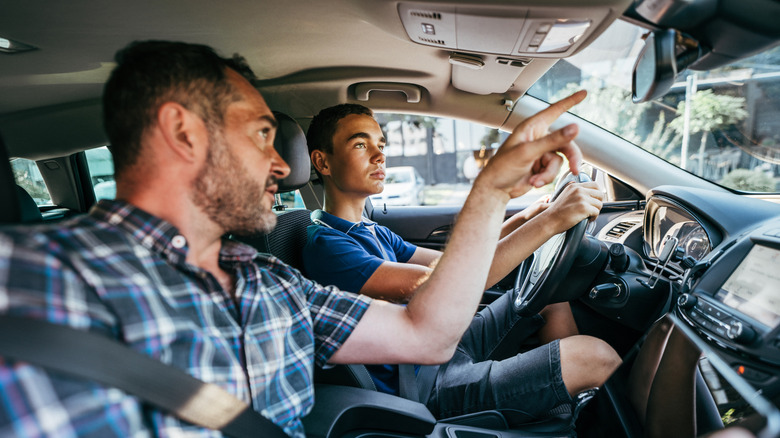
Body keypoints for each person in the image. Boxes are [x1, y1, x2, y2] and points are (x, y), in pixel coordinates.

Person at [0, 40, 606, 437]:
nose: (280, 165)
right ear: (183, 133)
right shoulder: (35, 276)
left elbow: (427, 333)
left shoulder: (271, 280)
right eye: (262, 134)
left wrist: (495, 191)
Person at [303, 102, 622, 422]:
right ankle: (572, 411)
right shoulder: (327, 245)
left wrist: (528, 216)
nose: (379, 154)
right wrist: (551, 222)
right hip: (422, 387)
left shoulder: (374, 231)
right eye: (361, 144)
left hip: (443, 346)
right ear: (322, 161)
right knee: (595, 357)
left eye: (381, 144)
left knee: (551, 300)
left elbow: (453, 262)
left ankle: (565, 414)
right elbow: (446, 282)